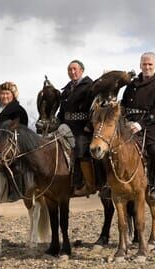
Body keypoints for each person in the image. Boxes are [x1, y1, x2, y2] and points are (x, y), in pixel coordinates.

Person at [121, 52, 155, 202]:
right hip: (128, 126)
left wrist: (141, 124)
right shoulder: (132, 85)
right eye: (144, 64)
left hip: (151, 126)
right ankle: (109, 184)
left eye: (150, 64)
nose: (147, 67)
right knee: (111, 148)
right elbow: (124, 104)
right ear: (140, 65)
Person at [57, 60, 96, 196]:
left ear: (82, 70)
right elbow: (62, 112)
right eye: (69, 70)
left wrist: (89, 126)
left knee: (80, 147)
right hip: (65, 126)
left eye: (75, 69)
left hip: (83, 128)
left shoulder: (90, 86)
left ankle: (88, 184)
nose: (72, 72)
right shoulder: (66, 90)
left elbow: (94, 109)